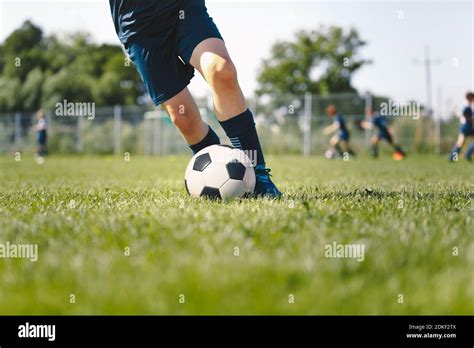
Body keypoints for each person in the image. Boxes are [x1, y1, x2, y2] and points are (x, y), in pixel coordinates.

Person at [109, 0, 281, 197]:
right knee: (183, 119)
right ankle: (218, 177)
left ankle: (258, 175)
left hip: (183, 8)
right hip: (138, 24)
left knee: (221, 71)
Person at [448, 92, 474, 162]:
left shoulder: (469, 105)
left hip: (468, 126)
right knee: (459, 143)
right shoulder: (466, 106)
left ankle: (466, 154)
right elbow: (465, 116)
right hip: (466, 126)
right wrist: (472, 119)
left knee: (460, 143)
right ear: (469, 97)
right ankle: (453, 158)